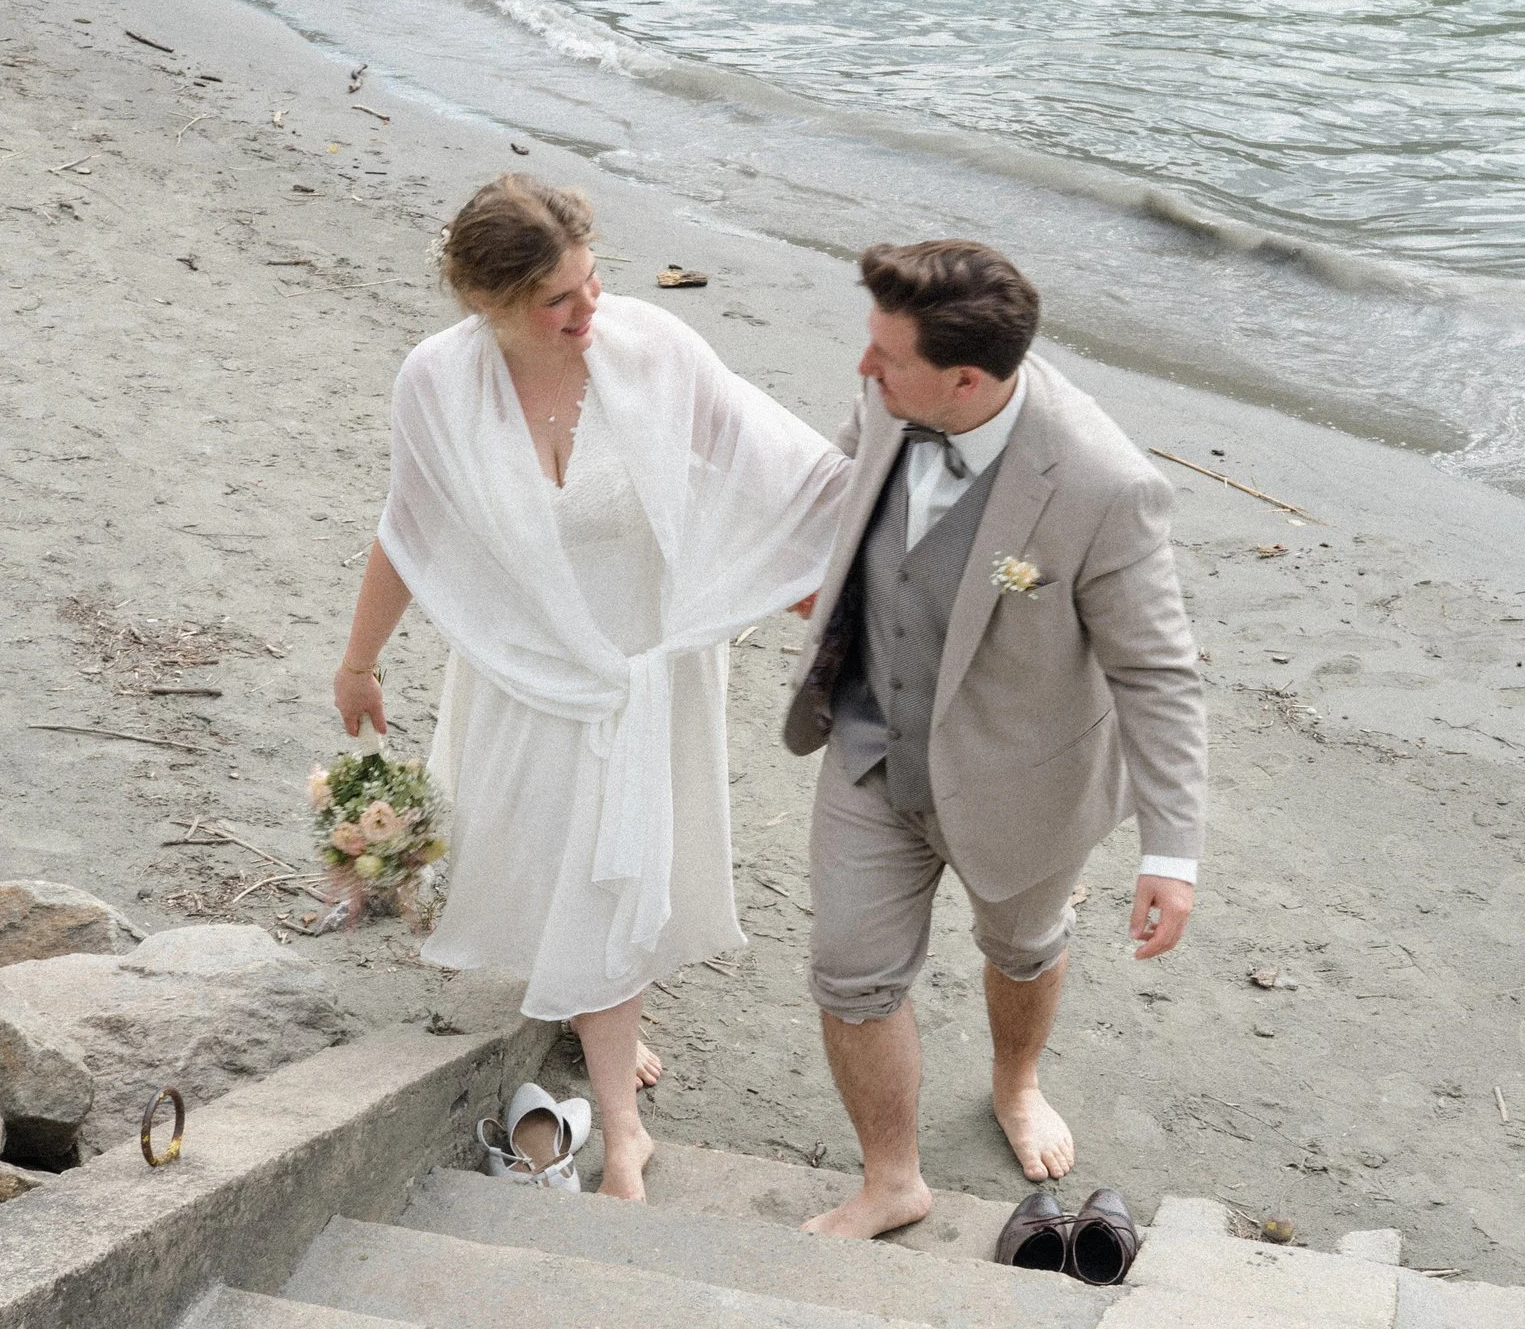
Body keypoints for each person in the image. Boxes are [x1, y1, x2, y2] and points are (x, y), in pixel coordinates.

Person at [335, 173, 849, 1203]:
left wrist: (831, 586)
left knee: (619, 866)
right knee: (548, 849)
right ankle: (601, 1015)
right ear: (487, 303)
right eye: (557, 302)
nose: (587, 313)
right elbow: (411, 524)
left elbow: (783, 472)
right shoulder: (436, 382)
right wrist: (358, 658)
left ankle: (621, 1126)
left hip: (646, 665)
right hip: (523, 666)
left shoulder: (650, 348)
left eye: (591, 282)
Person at [780, 239, 1207, 1239]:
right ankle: (892, 1178)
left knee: (1020, 948)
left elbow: (1158, 671)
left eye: (885, 356)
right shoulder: (894, 399)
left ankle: (1016, 1082)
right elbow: (839, 489)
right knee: (849, 970)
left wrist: (1172, 850)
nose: (861, 370)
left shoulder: (1105, 485)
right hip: (870, 743)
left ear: (964, 378)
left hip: (1024, 781)